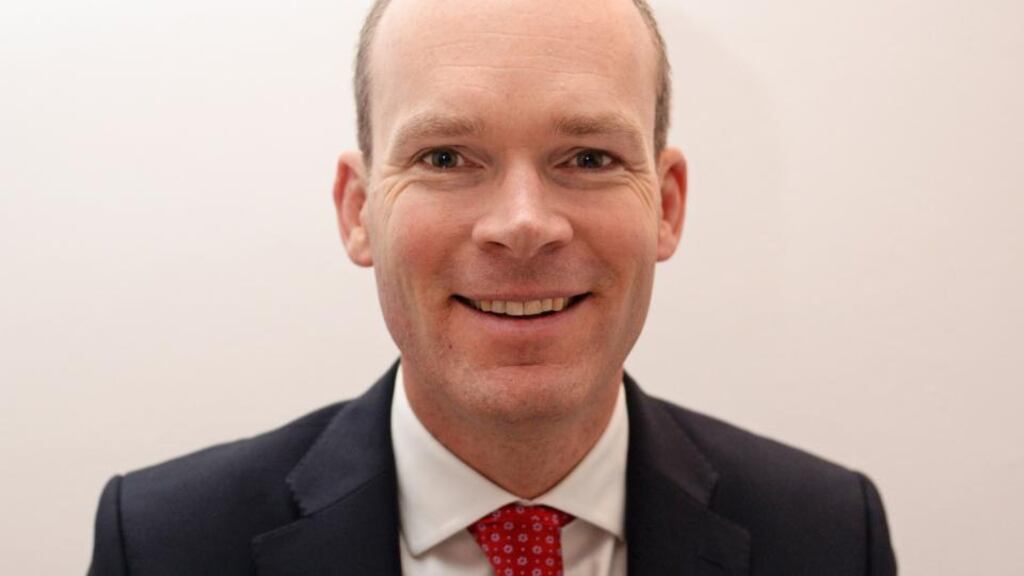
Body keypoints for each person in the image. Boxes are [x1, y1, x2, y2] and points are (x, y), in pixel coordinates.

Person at [87, 0, 897, 574]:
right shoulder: (163, 545)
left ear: (668, 204)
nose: (523, 224)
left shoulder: (826, 538)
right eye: (445, 158)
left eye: (587, 158)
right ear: (358, 210)